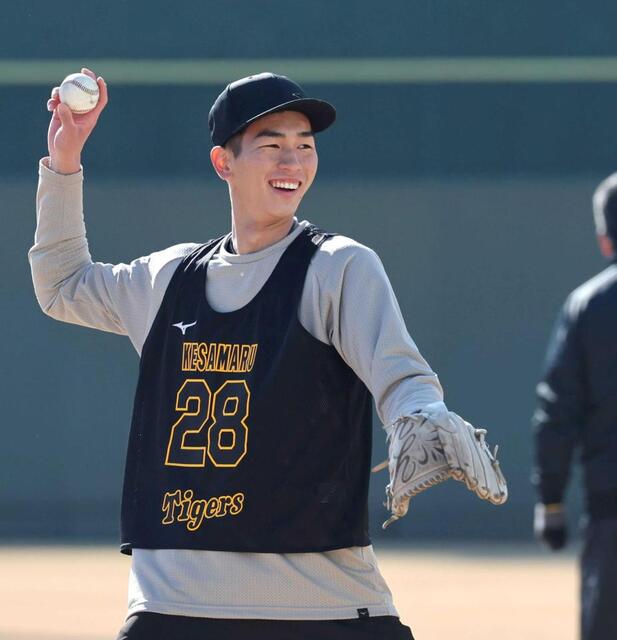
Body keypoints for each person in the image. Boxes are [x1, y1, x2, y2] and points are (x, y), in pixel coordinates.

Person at [31, 68, 499, 640]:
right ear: (223, 163)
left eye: (305, 146)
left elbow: (401, 376)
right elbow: (62, 286)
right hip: (173, 604)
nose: (293, 162)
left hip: (318, 603)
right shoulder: (169, 278)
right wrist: (65, 160)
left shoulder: (337, 266)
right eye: (272, 145)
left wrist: (422, 416)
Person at [532, 173, 617, 640]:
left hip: (611, 516)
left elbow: (557, 413)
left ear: (606, 240)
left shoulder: (588, 306)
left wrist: (552, 501)